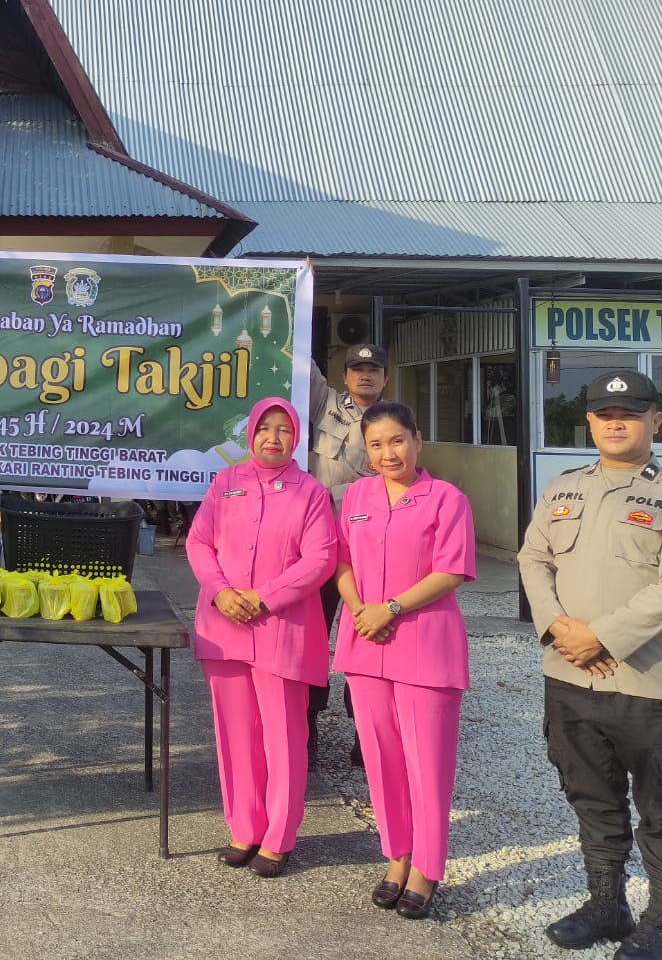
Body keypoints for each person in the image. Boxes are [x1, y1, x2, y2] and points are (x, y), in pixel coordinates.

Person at [516, 370, 662, 960]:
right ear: (591, 422)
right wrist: (557, 628)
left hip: (650, 684)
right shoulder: (562, 488)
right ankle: (607, 904)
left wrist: (599, 637)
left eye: (630, 412)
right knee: (592, 797)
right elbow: (533, 558)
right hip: (570, 680)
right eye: (604, 413)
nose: (616, 421)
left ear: (655, 420)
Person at [333, 401, 475, 920]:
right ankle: (396, 855)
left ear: (418, 440)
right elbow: (342, 560)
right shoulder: (356, 496)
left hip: (425, 643)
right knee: (381, 758)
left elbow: (453, 570)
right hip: (366, 641)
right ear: (365, 451)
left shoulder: (447, 499)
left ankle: (427, 866)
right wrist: (358, 611)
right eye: (376, 445)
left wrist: (390, 608)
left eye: (397, 440)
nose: (387, 453)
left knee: (427, 764)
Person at [185, 397, 336, 878]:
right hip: (224, 626)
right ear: (250, 433)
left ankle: (278, 837)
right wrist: (221, 592)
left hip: (282, 630)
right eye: (265, 428)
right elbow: (198, 542)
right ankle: (244, 827)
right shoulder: (226, 482)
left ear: (296, 436)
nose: (274, 437)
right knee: (235, 732)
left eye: (284, 429)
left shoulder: (310, 491)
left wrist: (264, 598)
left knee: (284, 736)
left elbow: (320, 560)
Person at [306, 342, 390, 763]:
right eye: (357, 369)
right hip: (320, 544)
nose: (365, 375)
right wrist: (297, 285)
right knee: (313, 637)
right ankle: (306, 728)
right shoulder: (325, 406)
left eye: (373, 369)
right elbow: (301, 354)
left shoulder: (392, 423)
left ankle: (367, 736)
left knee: (367, 640)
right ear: (345, 377)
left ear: (385, 378)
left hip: (368, 550)